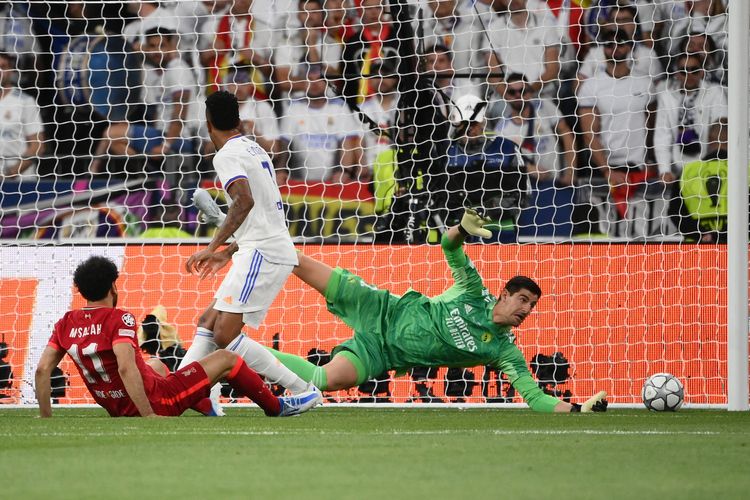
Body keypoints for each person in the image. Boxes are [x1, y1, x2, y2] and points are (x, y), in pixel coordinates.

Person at [193, 202, 609, 413]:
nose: (525, 309)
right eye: (522, 299)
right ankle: (244, 243)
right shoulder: (474, 291)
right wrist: (461, 230)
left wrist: (577, 408)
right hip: (382, 309)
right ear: (504, 294)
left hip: (386, 353)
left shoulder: (504, 351)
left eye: (531, 306)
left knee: (324, 380)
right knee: (295, 259)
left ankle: (233, 353)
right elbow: (448, 248)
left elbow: (534, 398)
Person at [34, 256, 322, 418]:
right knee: (227, 359)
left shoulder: (66, 323)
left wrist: (46, 416)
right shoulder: (119, 318)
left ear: (81, 291)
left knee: (157, 366)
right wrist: (149, 416)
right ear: (113, 286)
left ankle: (206, 404)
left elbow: (42, 369)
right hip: (153, 404)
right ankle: (277, 407)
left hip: (116, 405)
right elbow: (124, 366)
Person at [181, 90, 318, 409]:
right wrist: (226, 253)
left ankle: (303, 389)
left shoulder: (226, 155)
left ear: (208, 123)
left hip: (263, 252)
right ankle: (201, 396)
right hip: (259, 246)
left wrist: (212, 246)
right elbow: (260, 214)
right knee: (208, 322)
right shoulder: (253, 147)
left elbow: (244, 201)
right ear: (238, 120)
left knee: (225, 335)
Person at [0, 51, 43, 179]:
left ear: (11, 70)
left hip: (20, 183)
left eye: (3, 67)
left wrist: (10, 174)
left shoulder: (25, 101)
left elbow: (38, 146)